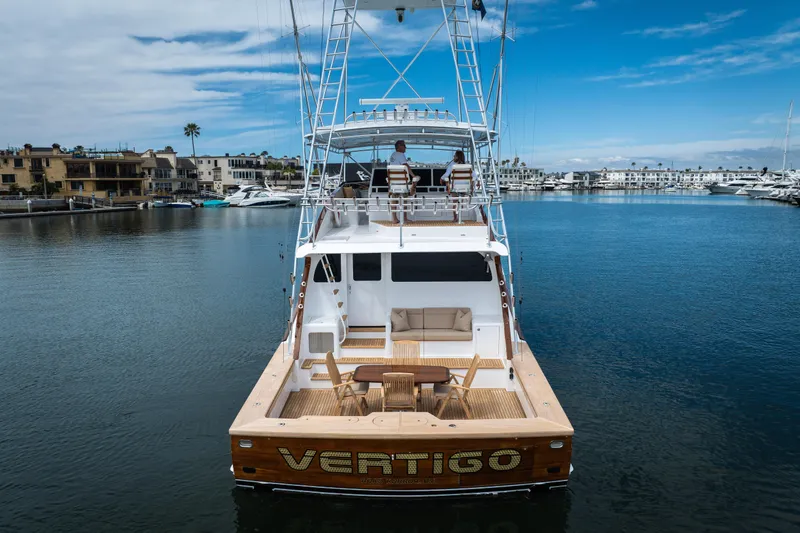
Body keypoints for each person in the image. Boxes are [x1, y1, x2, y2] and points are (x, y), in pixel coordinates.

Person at [388, 140, 420, 223]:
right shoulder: (401, 154)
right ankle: (405, 218)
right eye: (404, 146)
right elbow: (406, 166)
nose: (405, 147)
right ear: (399, 146)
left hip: (393, 184)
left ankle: (394, 218)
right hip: (403, 184)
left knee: (394, 197)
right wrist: (413, 176)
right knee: (410, 188)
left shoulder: (392, 155)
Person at [441, 150, 468, 221]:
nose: (453, 156)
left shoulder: (452, 166)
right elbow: (474, 176)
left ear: (457, 157)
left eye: (455, 155)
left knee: (455, 202)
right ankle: (460, 217)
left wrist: (441, 179)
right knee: (460, 201)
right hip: (464, 189)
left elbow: (446, 175)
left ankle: (455, 218)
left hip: (455, 188)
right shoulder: (467, 166)